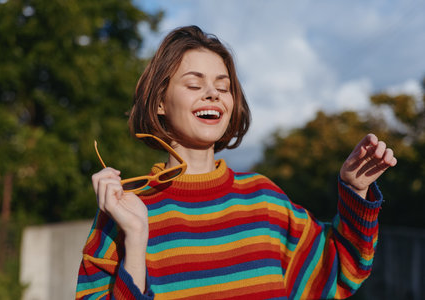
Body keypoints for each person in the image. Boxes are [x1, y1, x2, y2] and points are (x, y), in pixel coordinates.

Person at [76, 25, 397, 300]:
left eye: (223, 86)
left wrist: (355, 191)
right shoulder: (126, 211)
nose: (213, 94)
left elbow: (342, 270)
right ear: (159, 101)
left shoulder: (265, 199)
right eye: (193, 84)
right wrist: (135, 241)